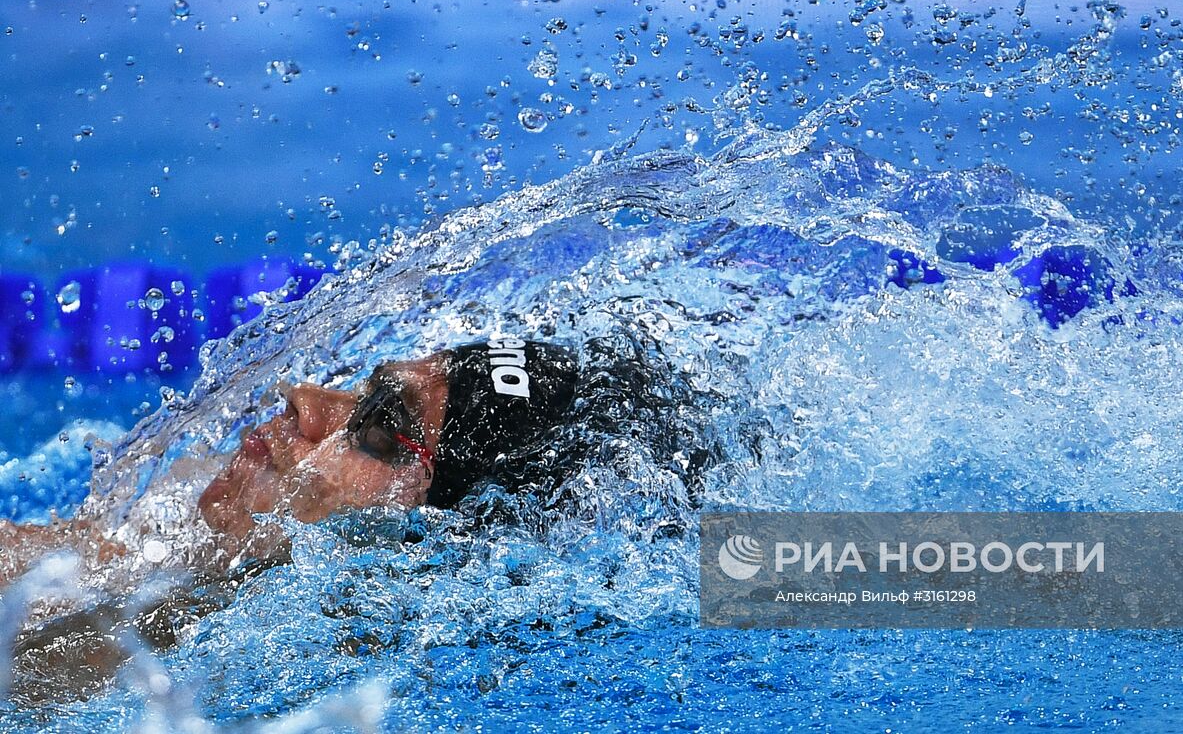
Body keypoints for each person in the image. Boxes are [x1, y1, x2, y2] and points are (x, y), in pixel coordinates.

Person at [1, 333, 719, 700]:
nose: (303, 399)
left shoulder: (265, 656)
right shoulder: (171, 549)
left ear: (440, 534)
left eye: (380, 423)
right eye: (364, 388)